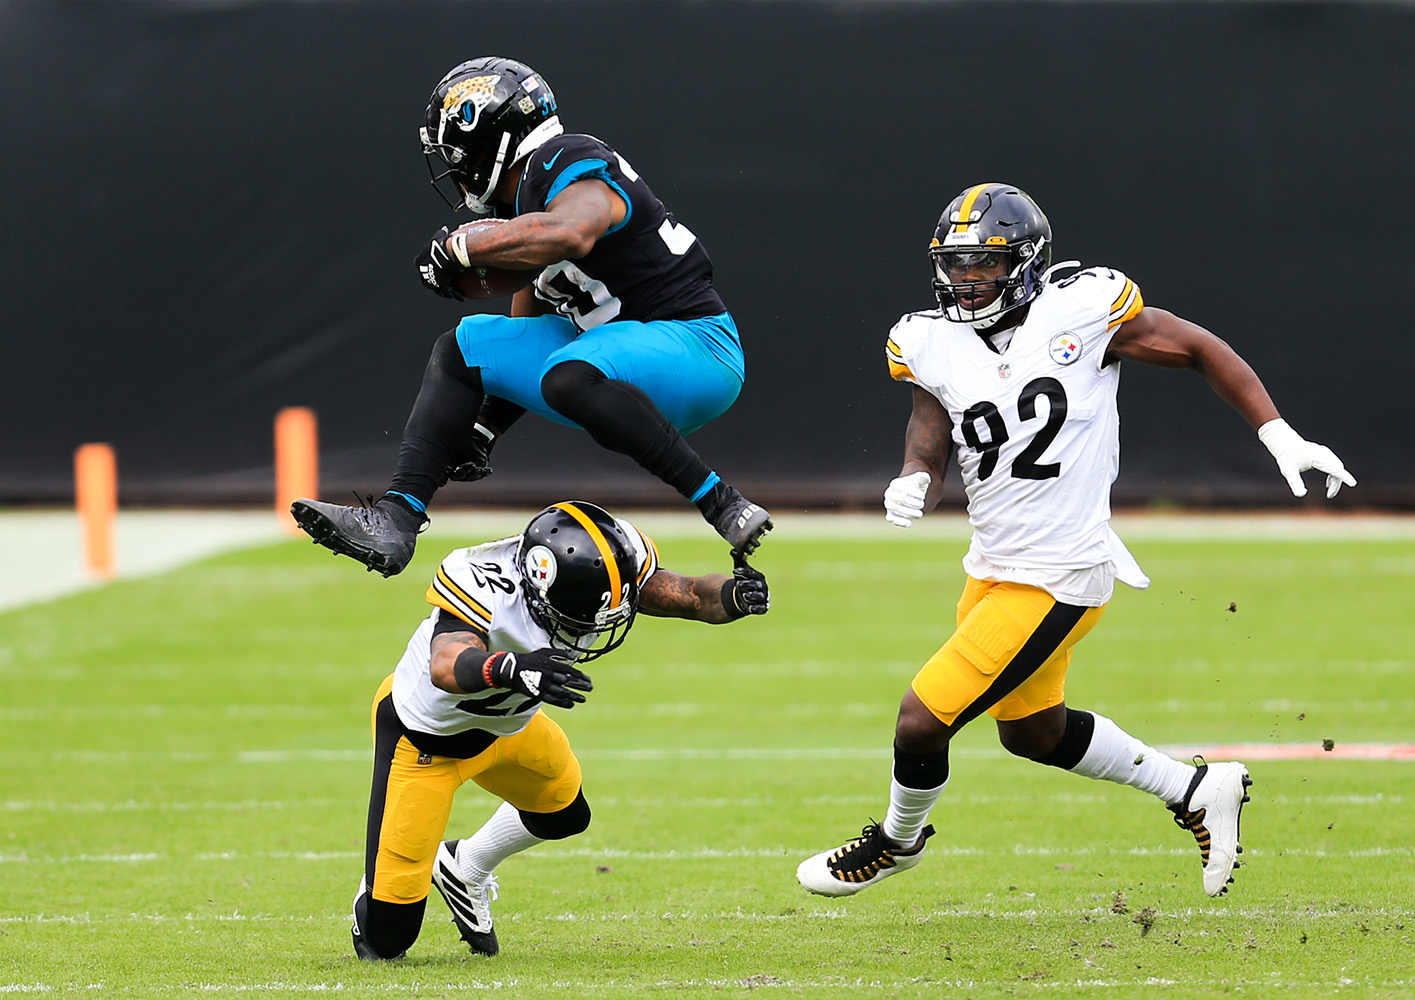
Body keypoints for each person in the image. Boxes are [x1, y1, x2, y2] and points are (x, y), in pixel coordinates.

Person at [796, 182, 1355, 900]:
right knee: (1032, 732)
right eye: (957, 264)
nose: (969, 280)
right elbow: (931, 433)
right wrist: (915, 477)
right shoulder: (925, 338)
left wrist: (1277, 431)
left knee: (920, 718)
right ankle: (1193, 789)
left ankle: (899, 842)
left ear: (1026, 262)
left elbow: (1197, 347)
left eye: (986, 264)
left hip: (1062, 572)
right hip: (993, 566)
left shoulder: (1083, 309)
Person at [292, 57, 770, 579]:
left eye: (461, 152)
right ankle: (396, 517)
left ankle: (721, 501)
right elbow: (528, 320)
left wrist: (463, 244)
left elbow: (571, 233)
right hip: (619, 364)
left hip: (697, 348)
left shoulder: (564, 157)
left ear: (493, 141)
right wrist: (483, 427)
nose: (457, 166)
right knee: (464, 349)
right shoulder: (528, 211)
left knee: (568, 373)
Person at [350, 499, 769, 960]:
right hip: (424, 742)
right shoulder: (482, 580)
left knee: (565, 814)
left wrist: (732, 596)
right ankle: (375, 894)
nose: (593, 625)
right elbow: (445, 665)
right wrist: (513, 669)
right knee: (387, 941)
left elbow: (689, 593)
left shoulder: (611, 562)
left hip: (507, 730)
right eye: (578, 612)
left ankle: (465, 865)